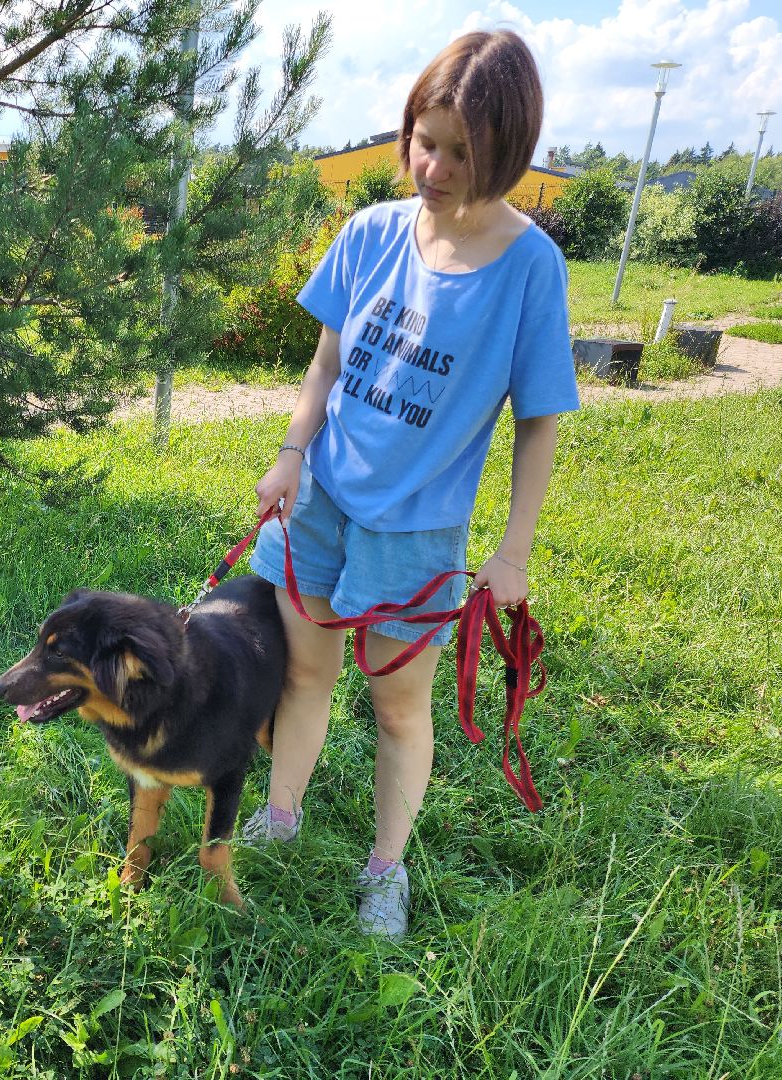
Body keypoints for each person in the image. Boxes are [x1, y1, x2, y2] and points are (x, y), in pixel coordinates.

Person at [238, 29, 579, 938]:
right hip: (320, 507)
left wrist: (515, 549)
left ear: (509, 150)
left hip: (418, 535)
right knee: (303, 679)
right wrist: (290, 452)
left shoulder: (531, 266)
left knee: (398, 704)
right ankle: (281, 819)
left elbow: (538, 418)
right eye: (426, 140)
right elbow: (326, 360)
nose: (434, 166)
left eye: (463, 152)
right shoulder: (370, 233)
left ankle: (384, 870)